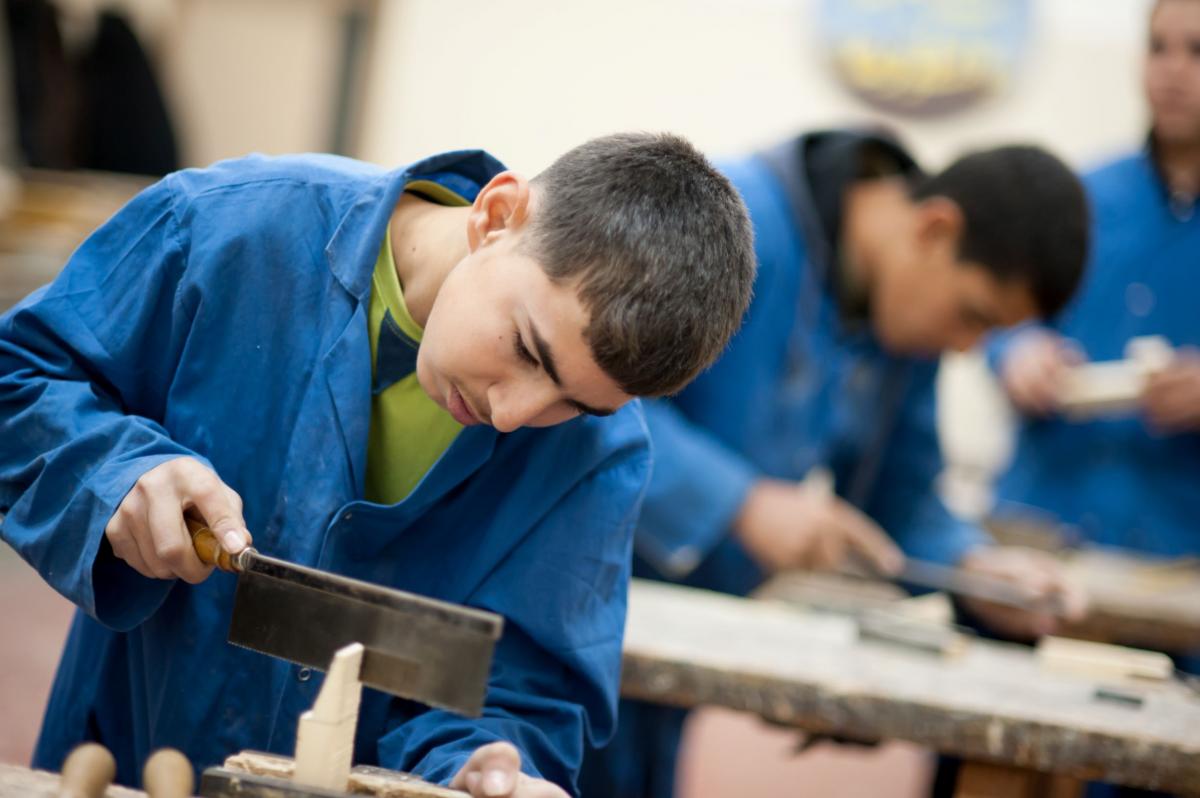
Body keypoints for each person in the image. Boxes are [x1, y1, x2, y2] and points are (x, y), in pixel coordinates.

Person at [0, 133, 756, 798]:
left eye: (577, 403)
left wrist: (488, 765)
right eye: (528, 348)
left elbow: (520, 693)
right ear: (496, 217)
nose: (515, 414)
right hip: (116, 763)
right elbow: (17, 381)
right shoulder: (231, 227)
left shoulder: (603, 456)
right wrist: (112, 473)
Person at [579, 129, 1090, 798]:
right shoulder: (733, 223)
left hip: (671, 660)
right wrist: (742, 503)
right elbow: (584, 387)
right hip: (566, 615)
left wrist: (973, 568)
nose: (968, 347)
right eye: (973, 316)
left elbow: (898, 495)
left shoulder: (902, 327)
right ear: (935, 229)